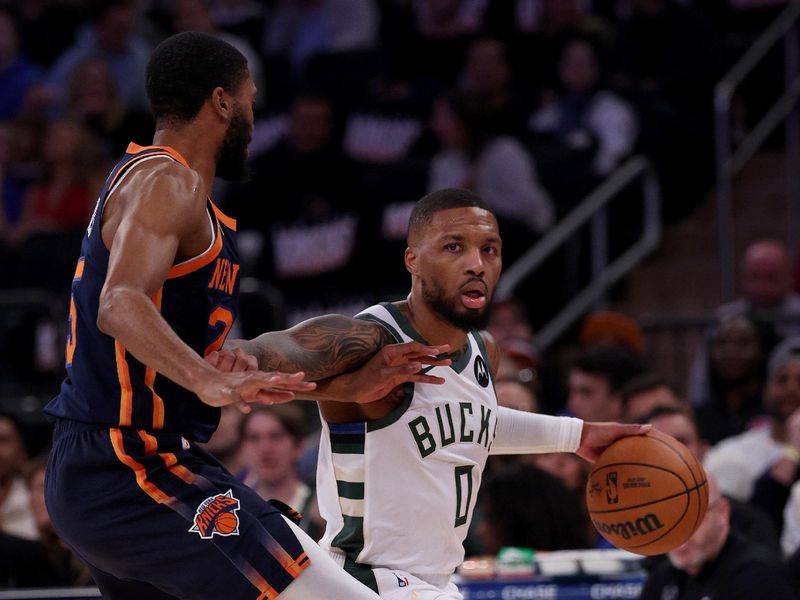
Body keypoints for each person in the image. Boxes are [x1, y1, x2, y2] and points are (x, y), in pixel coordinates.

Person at [42, 31, 438, 600]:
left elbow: (217, 365)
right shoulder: (166, 180)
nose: (254, 117)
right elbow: (118, 301)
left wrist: (346, 381)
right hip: (127, 464)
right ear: (222, 101)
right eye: (250, 99)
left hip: (112, 466)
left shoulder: (167, 193)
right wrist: (208, 379)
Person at [224, 188, 650, 598]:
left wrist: (577, 436)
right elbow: (276, 349)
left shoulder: (485, 351)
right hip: (363, 580)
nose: (477, 264)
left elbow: (475, 423)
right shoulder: (370, 339)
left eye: (490, 249)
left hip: (436, 582)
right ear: (413, 259)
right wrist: (238, 358)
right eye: (454, 247)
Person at [639, 476, 796, 600]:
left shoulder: (757, 577)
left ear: (722, 512)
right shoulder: (663, 575)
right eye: (666, 519)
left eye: (692, 518)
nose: (679, 533)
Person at [704, 336, 800, 502]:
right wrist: (792, 451)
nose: (791, 389)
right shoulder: (733, 452)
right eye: (782, 380)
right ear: (766, 388)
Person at [240, 404, 325, 540]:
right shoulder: (235, 511)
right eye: (254, 438)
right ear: (242, 448)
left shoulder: (322, 510)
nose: (265, 449)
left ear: (298, 446)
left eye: (275, 436)